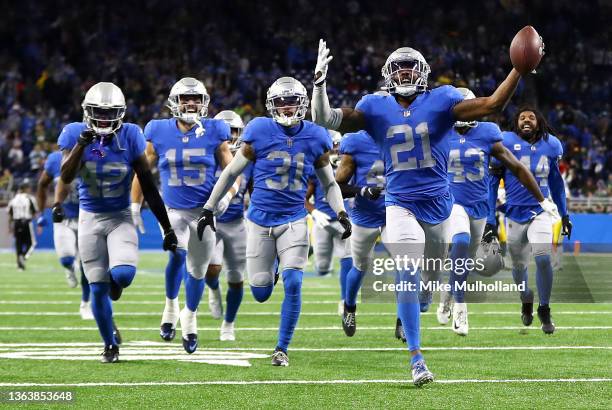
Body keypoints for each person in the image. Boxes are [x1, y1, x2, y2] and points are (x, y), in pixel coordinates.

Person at [309, 38, 547, 386]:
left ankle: (427, 303)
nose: (405, 73)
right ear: (388, 76)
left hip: (439, 205)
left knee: (428, 281)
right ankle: (417, 358)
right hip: (400, 203)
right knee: (406, 271)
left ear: (423, 74)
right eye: (398, 68)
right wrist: (319, 87)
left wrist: (518, 68)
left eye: (411, 67)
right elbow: (324, 117)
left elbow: (492, 104)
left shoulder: (442, 100)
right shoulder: (375, 107)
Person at [196, 76, 351, 366]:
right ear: (271, 104)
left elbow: (329, 184)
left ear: (303, 104)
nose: (287, 107)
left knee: (294, 283)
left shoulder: (316, 136)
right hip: (258, 221)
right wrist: (208, 207)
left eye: (292, 101)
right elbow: (230, 174)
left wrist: (341, 213)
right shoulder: (259, 130)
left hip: (294, 219)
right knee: (261, 292)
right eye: (281, 102)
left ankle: (282, 348)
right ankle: (275, 267)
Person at [60, 82, 178, 363]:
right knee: (97, 287)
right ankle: (109, 344)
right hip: (89, 217)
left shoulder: (131, 135)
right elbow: (65, 177)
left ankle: (116, 285)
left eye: (109, 112)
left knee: (123, 275)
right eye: (98, 112)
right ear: (87, 112)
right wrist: (82, 144)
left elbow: (148, 185)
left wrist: (167, 227)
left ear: (120, 113)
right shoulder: (75, 133)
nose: (103, 118)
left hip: (119, 216)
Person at [130, 78, 235, 353]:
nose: (191, 104)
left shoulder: (215, 129)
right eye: (186, 99)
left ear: (205, 103)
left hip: (204, 212)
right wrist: (134, 204)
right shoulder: (158, 130)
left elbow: (233, 170)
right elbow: (143, 170)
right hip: (173, 210)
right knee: (177, 254)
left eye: (197, 99)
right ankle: (170, 307)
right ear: (174, 103)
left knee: (198, 270)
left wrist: (229, 195)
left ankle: (189, 316)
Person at [439, 88, 551, 336]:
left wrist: (542, 199)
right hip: (451, 202)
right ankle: (460, 306)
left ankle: (449, 292)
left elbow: (517, 168)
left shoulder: (488, 132)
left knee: (465, 260)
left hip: (478, 205)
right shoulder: (440, 131)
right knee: (460, 241)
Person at [486, 107, 572, 335]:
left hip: (540, 211)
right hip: (513, 213)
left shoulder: (551, 144)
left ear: (539, 121)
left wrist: (564, 214)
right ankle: (526, 299)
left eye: (531, 117)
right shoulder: (504, 140)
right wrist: (489, 218)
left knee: (543, 257)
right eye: (522, 117)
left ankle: (544, 308)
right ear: (516, 123)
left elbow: (556, 182)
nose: (526, 120)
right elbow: (493, 182)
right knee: (518, 266)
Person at [333, 129, 386, 336]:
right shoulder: (355, 142)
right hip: (365, 216)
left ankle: (403, 318)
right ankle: (349, 306)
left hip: (395, 213)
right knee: (360, 265)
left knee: (405, 263)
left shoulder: (405, 135)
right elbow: (338, 186)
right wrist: (362, 191)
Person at [205, 110, 251, 341]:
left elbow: (253, 189)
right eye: (227, 131)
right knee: (211, 269)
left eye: (234, 131)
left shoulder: (248, 157)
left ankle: (228, 324)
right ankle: (213, 289)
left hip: (236, 222)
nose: (230, 136)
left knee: (236, 278)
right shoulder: (205, 155)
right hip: (211, 222)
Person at [36, 150, 93, 319]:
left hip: (88, 217)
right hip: (63, 218)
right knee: (67, 258)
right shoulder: (54, 160)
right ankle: (69, 269)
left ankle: (86, 303)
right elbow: (42, 184)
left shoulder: (94, 156)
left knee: (87, 265)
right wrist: (40, 213)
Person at [305, 131, 352, 310]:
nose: (336, 150)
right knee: (323, 268)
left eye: (338, 145)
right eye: (332, 146)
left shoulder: (350, 165)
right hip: (322, 222)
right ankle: (311, 251)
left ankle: (344, 300)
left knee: (347, 258)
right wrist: (314, 212)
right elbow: (304, 198)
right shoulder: (317, 168)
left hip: (344, 220)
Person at [8, 180, 37, 271]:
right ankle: (23, 257)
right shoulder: (30, 198)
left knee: (18, 243)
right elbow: (34, 212)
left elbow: (10, 214)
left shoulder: (13, 199)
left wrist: (10, 226)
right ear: (25, 188)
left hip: (16, 223)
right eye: (28, 187)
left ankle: (20, 265)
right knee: (32, 244)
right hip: (26, 222)